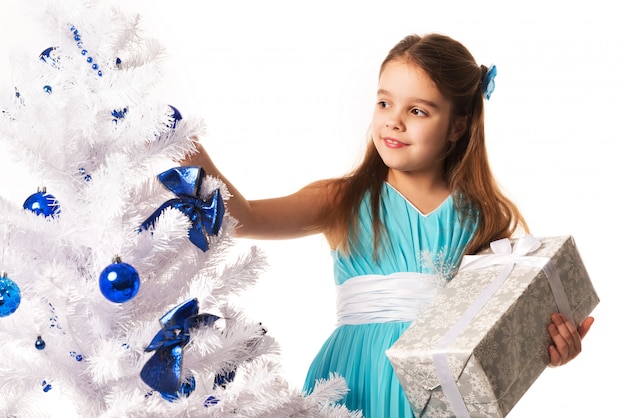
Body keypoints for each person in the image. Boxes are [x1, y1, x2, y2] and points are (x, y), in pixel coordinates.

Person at [182, 33, 594, 417]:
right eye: (384, 103)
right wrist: (188, 151)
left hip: (439, 389)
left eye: (417, 110)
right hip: (352, 378)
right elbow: (244, 218)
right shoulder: (341, 199)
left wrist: (548, 351)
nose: (393, 121)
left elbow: (498, 331)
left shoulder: (484, 218)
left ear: (459, 124)